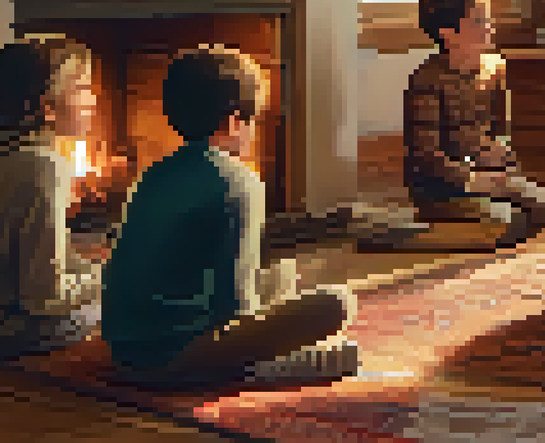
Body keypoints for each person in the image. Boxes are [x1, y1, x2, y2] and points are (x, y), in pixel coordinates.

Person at [102, 45, 355, 387]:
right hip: (172, 358)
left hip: (123, 350)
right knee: (337, 304)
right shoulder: (239, 181)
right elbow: (234, 308)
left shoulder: (154, 172)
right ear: (235, 121)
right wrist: (257, 340)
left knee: (281, 274)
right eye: (255, 121)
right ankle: (264, 370)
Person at [0, 36, 103, 362]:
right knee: (116, 305)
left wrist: (92, 270)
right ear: (47, 107)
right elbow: (46, 298)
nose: (93, 100)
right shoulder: (40, 165)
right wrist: (110, 278)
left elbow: (33, 265)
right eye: (82, 88)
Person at [404, 0, 545, 247]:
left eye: (488, 19)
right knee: (509, 221)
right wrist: (473, 179)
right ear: (448, 34)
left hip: (491, 175)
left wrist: (500, 154)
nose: (489, 27)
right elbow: (425, 156)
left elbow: (501, 129)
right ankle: (433, 228)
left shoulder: (495, 69)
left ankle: (477, 227)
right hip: (443, 187)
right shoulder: (426, 80)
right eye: (478, 21)